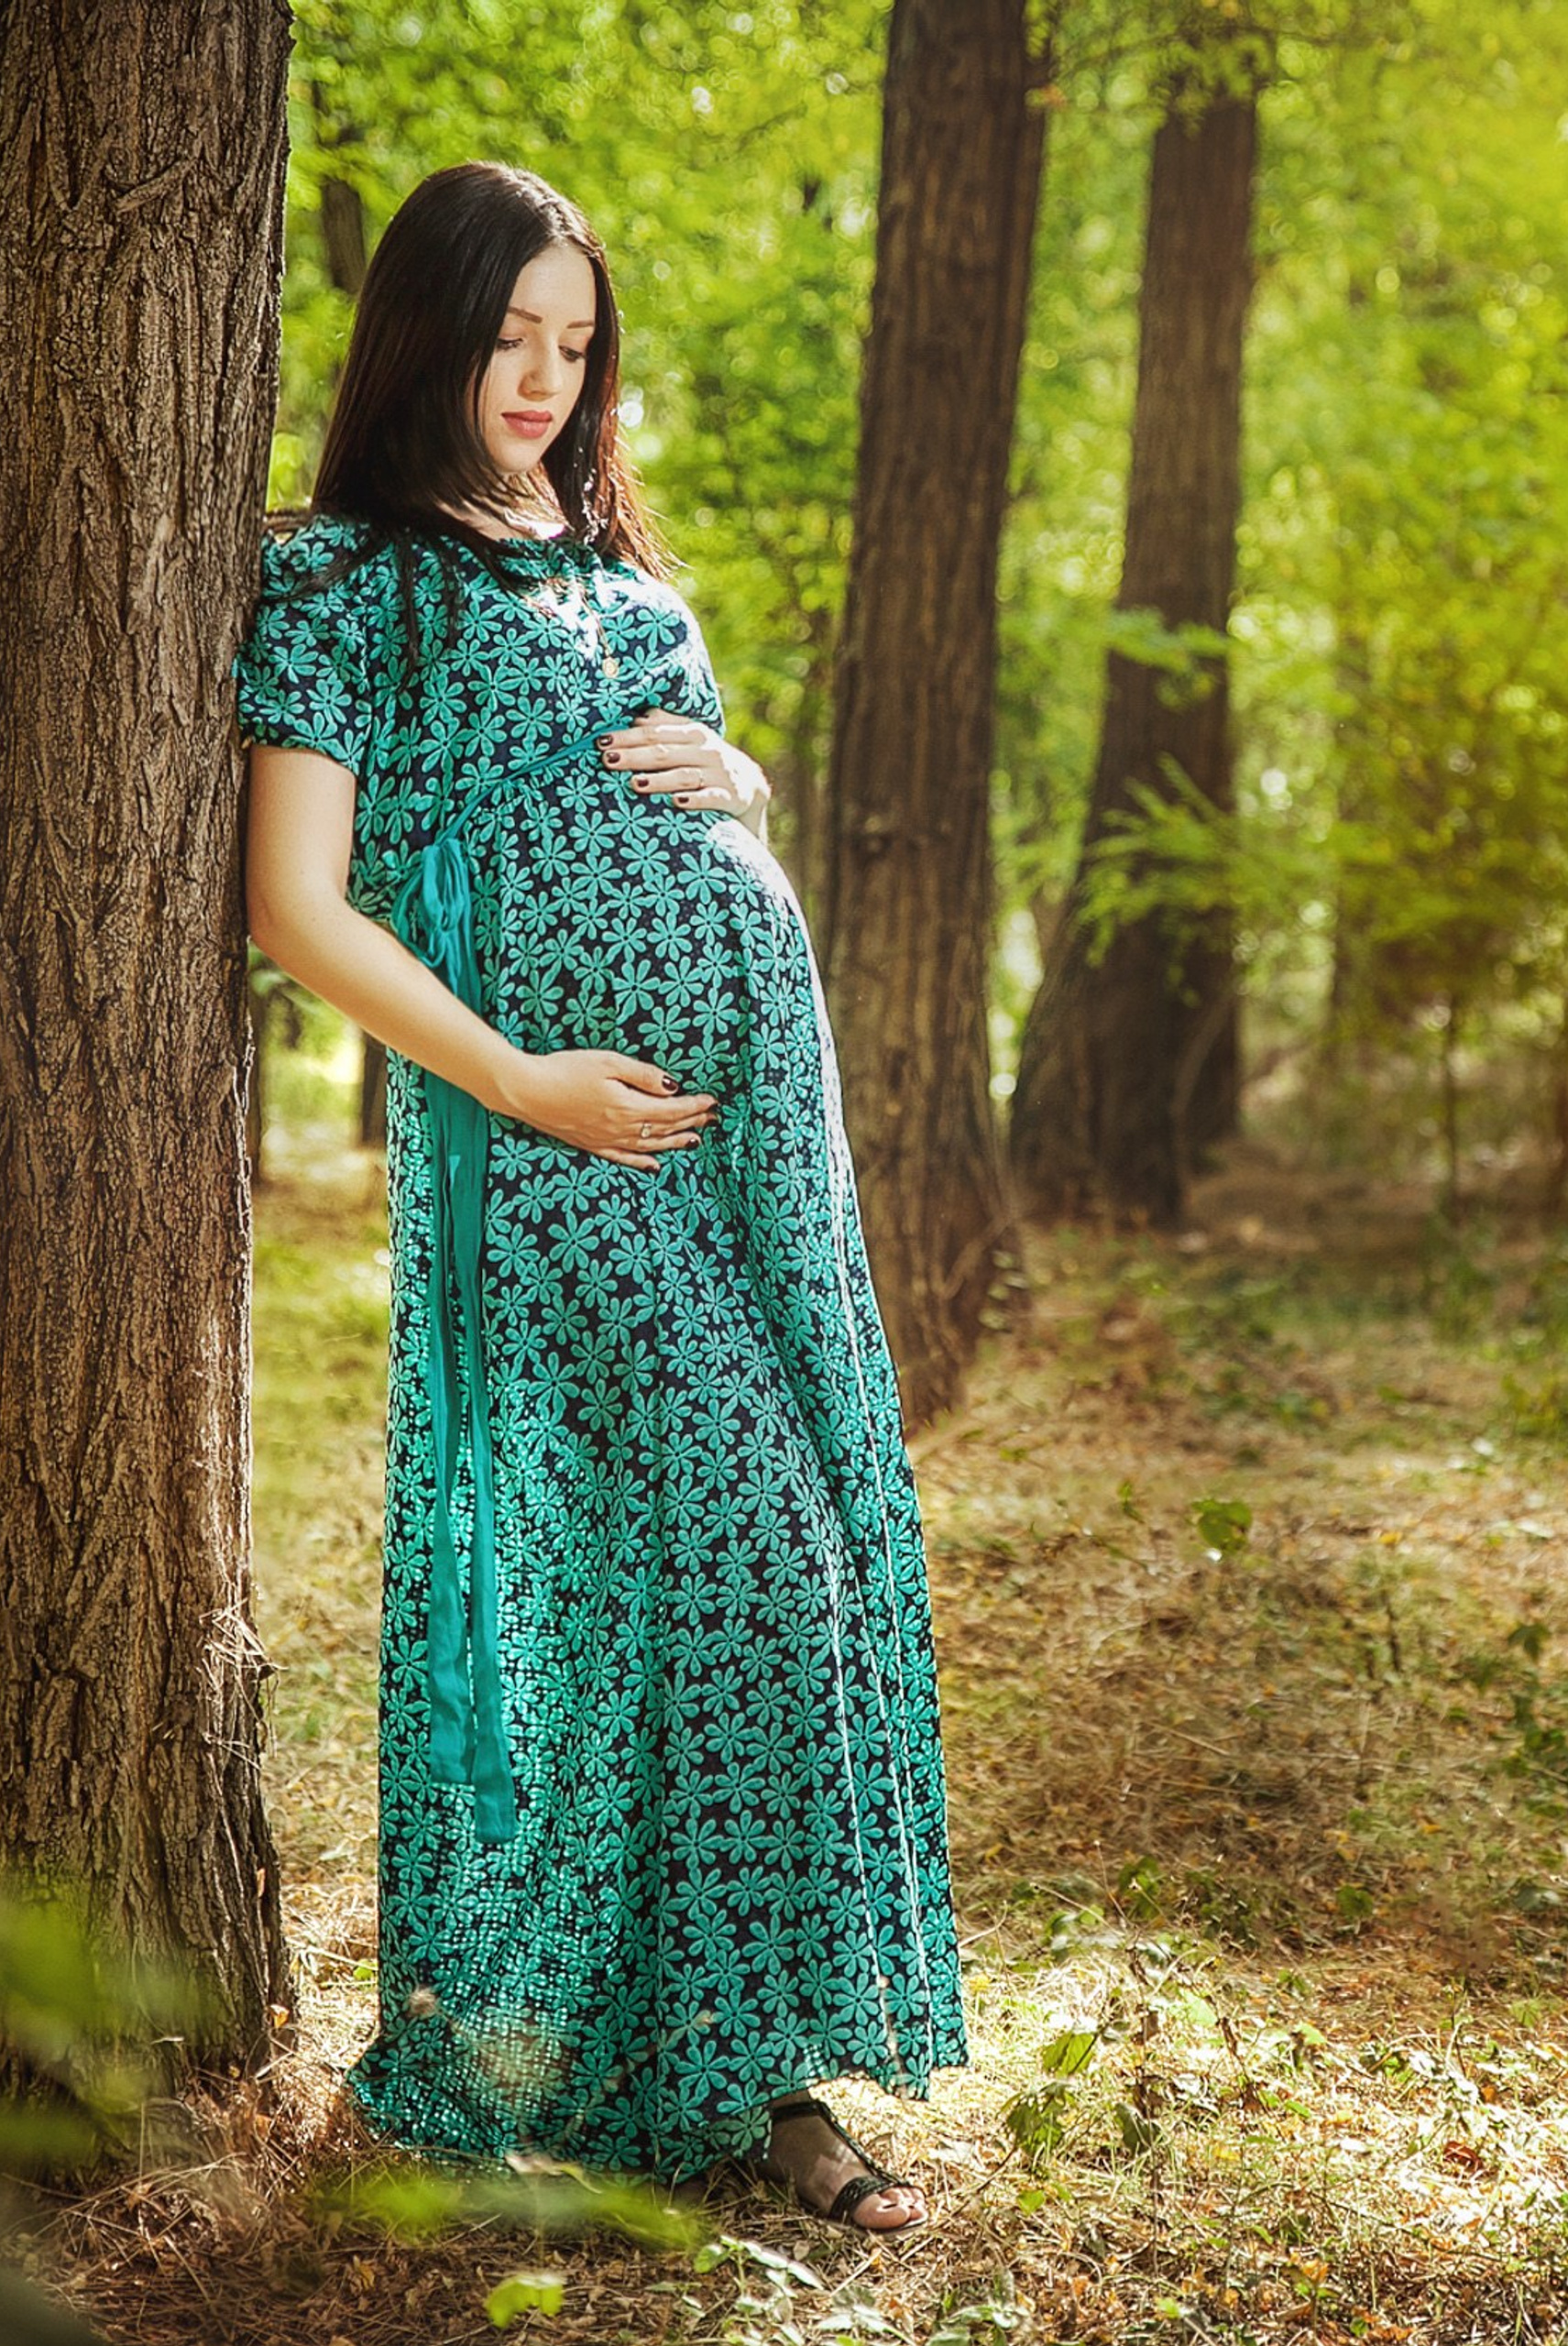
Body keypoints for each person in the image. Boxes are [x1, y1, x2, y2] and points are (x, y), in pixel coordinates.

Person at [235, 161, 964, 2230]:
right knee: (732, 1559)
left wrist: (745, 794)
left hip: (733, 1167)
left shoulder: (617, 559)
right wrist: (516, 1077)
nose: (544, 379)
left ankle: (735, 2062)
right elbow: (293, 901)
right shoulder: (347, 579)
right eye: (507, 338)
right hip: (546, 1163)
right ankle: (695, 2077)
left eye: (574, 341)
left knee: (779, 1555)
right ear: (425, 339)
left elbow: (696, 780)